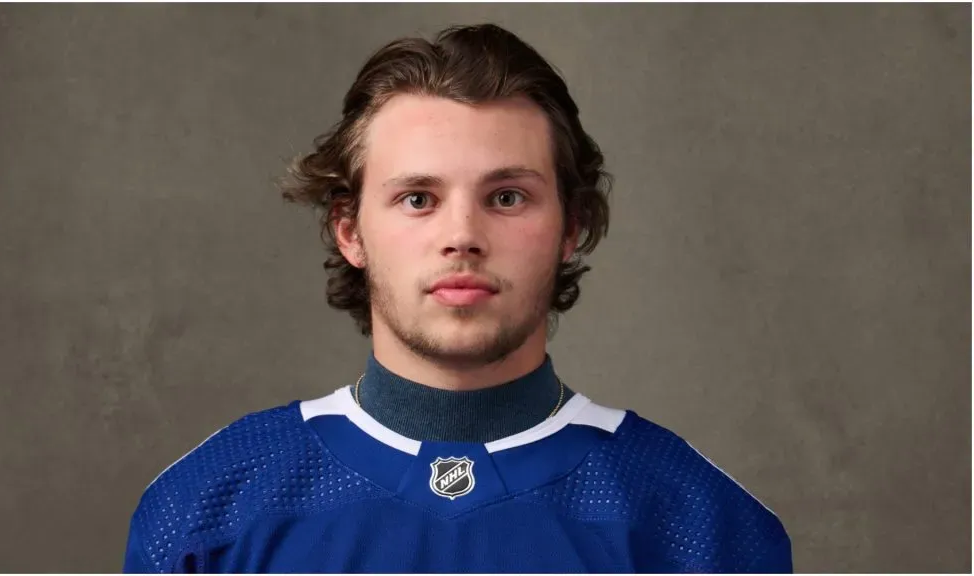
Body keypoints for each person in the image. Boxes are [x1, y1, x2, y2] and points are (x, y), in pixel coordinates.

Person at [123, 23, 792, 573]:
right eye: (418, 198)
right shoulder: (210, 505)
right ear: (351, 230)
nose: (463, 236)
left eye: (507, 197)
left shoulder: (696, 522)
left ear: (573, 227)